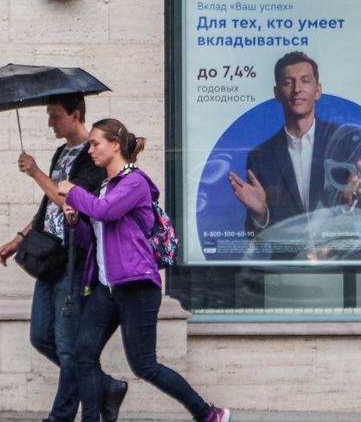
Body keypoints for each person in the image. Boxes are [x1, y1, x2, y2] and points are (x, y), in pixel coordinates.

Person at [48, 118, 230, 422]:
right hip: (107, 287)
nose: (90, 150)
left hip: (136, 286)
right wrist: (74, 219)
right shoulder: (103, 188)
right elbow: (92, 240)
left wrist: (74, 192)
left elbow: (106, 212)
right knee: (83, 354)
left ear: (115, 145)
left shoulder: (135, 182)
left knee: (144, 365)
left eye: (95, 143)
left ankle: (208, 414)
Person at [0, 95, 127, 422]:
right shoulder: (60, 152)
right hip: (49, 256)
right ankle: (106, 386)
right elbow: (48, 205)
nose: (50, 122)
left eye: (55, 116)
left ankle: (61, 417)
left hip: (74, 259)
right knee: (41, 337)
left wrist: (35, 172)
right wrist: (19, 239)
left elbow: (71, 200)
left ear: (75, 115)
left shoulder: (92, 156)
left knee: (69, 347)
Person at [227, 51, 361, 246]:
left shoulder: (345, 140)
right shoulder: (260, 156)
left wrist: (350, 202)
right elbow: (257, 242)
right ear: (277, 93)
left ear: (318, 90)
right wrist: (260, 214)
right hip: (288, 262)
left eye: (305, 81)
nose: (297, 89)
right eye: (288, 82)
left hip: (342, 259)